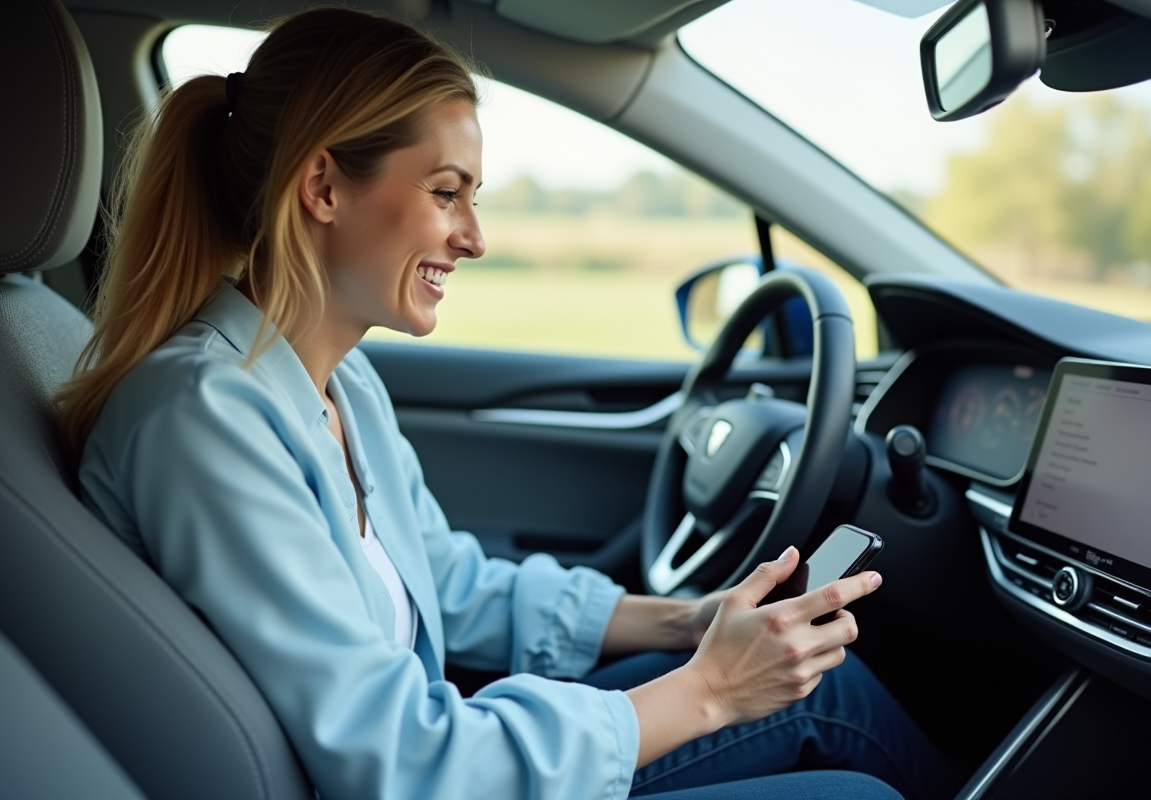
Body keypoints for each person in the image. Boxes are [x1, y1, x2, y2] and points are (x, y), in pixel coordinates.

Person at [58, 8, 954, 800]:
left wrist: (690, 621)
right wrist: (710, 688)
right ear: (324, 187)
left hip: (432, 761)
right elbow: (405, 763)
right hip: (419, 775)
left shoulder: (338, 384)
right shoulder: (203, 419)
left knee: (826, 690)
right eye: (446, 193)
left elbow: (449, 583)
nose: (475, 238)